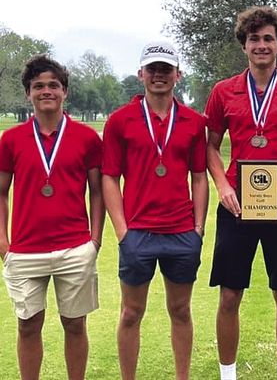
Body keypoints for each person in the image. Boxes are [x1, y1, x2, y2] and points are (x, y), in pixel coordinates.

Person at [205, 6, 277, 380]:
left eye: (268, 39)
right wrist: (222, 185)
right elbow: (210, 145)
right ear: (244, 45)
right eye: (254, 39)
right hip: (237, 205)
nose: (261, 45)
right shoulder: (224, 91)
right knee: (229, 295)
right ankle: (228, 375)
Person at [102, 41, 208, 380]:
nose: (159, 75)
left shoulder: (194, 121)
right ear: (141, 74)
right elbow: (109, 178)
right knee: (131, 313)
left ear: (178, 75)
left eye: (166, 69)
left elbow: (199, 176)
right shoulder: (120, 121)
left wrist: (199, 228)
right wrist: (122, 232)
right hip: (138, 233)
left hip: (180, 232)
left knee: (180, 310)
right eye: (153, 69)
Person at [0, 55, 104, 380]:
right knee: (28, 325)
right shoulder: (11, 140)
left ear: (65, 92)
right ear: (28, 93)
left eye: (53, 85)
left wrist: (95, 240)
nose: (47, 91)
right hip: (25, 250)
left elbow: (98, 192)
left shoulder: (87, 138)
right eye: (38, 86)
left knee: (75, 324)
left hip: (74, 247)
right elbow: (0, 192)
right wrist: (4, 243)